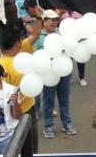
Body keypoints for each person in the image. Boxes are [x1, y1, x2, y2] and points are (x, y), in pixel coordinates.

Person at [33, 10, 77, 138]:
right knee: (49, 100)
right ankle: (48, 126)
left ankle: (67, 124)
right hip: (48, 75)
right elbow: (35, 55)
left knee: (64, 100)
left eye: (56, 19)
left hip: (64, 72)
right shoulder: (38, 36)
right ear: (44, 21)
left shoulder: (62, 34)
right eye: (52, 20)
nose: (54, 22)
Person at [0, 25, 41, 156]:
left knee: (15, 146)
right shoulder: (16, 64)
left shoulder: (0, 63)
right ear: (17, 43)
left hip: (11, 112)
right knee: (29, 147)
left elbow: (34, 35)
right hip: (23, 111)